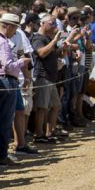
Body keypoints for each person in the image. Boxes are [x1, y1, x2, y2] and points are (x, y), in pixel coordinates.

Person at [0, 13, 32, 166]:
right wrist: (22, 61)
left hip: (2, 81)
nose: (15, 32)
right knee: (5, 120)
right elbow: (7, 66)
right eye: (14, 28)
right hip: (6, 81)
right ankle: (1, 154)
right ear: (9, 26)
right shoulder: (3, 43)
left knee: (1, 118)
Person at [29, 15, 64, 143]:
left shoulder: (48, 38)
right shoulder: (37, 38)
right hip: (42, 76)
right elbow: (41, 53)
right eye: (52, 23)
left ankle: (50, 131)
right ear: (43, 23)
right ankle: (39, 135)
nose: (55, 26)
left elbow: (57, 53)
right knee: (42, 107)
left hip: (51, 77)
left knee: (55, 105)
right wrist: (54, 40)